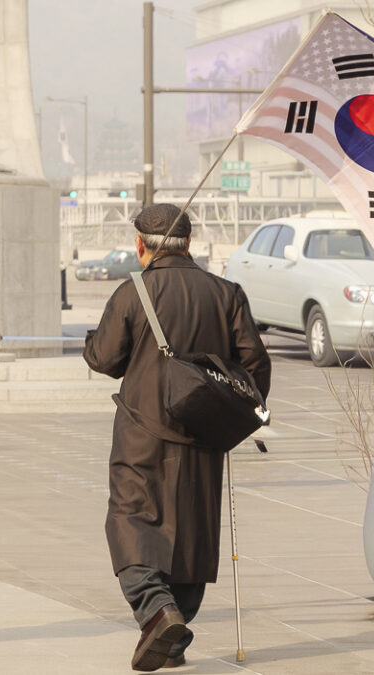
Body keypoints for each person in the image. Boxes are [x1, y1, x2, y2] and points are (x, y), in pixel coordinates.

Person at [84, 203, 271, 671]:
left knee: (130, 521)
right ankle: (173, 635)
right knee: (191, 534)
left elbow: (104, 359)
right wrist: (224, 407)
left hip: (142, 433)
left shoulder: (134, 293)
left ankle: (157, 611)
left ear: (140, 246)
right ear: (188, 243)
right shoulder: (227, 293)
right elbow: (255, 366)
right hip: (203, 435)